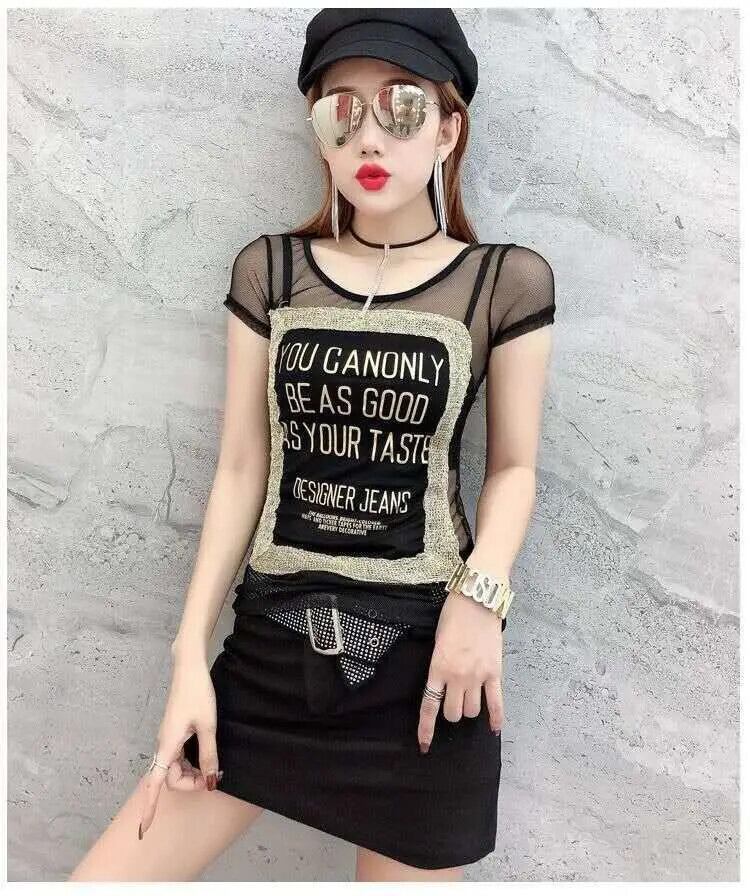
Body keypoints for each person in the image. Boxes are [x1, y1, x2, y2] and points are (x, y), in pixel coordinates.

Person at [70, 9, 556, 882]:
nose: (369, 135)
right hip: (267, 660)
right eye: (341, 110)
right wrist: (189, 660)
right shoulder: (273, 271)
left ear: (448, 131)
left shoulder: (503, 282)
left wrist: (481, 602)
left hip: (429, 671)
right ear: (319, 133)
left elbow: (515, 468)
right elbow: (240, 468)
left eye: (402, 107)